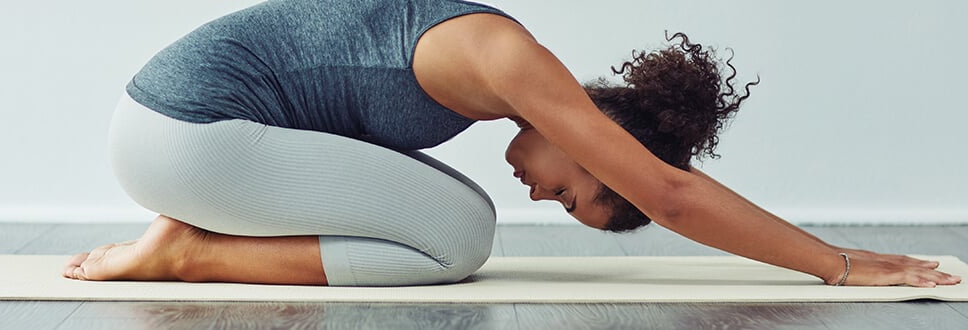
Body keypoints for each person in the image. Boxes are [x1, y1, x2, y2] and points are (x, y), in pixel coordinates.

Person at [64, 0, 961, 288]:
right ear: (601, 140)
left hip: (183, 136)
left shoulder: (489, 78)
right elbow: (672, 195)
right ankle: (185, 251)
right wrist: (840, 265)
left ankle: (185, 236)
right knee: (463, 237)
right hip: (189, 138)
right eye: (575, 194)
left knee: (463, 218)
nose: (549, 198)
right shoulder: (506, 57)